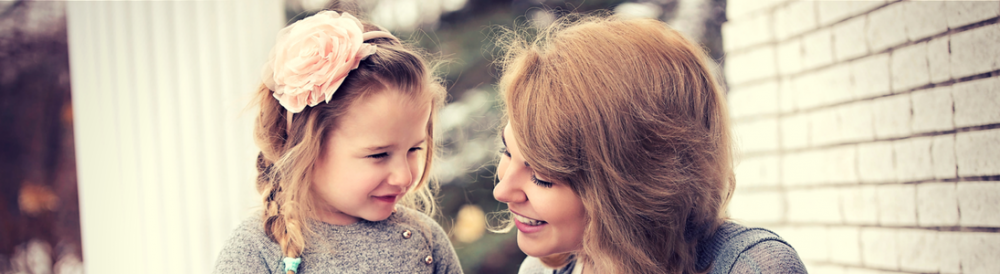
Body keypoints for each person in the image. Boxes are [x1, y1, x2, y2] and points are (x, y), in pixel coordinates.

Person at [492, 15, 807, 274]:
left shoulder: (751, 267)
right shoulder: (538, 269)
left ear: (635, 185)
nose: (501, 191)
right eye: (508, 151)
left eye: (542, 176)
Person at [213, 10, 461, 274]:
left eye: (414, 149)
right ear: (304, 148)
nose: (404, 176)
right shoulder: (255, 252)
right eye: (379, 155)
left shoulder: (425, 242)